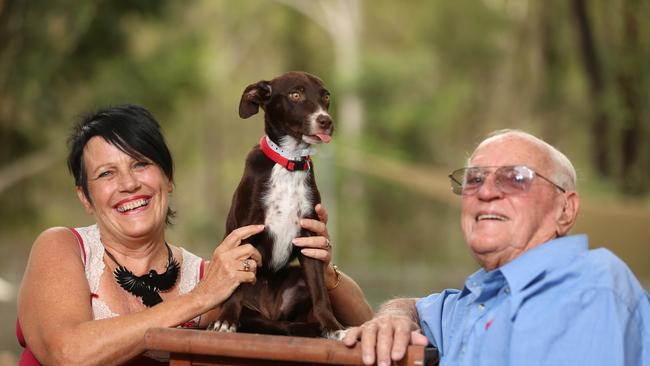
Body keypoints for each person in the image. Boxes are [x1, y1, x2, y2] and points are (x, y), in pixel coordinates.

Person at [17, 104, 372, 365]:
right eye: (106, 174)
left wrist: (324, 275)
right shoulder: (64, 247)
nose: (128, 184)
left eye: (141, 164)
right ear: (85, 197)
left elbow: (366, 325)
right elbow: (66, 354)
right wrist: (197, 300)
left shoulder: (215, 279)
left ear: (168, 179)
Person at [343, 129, 650, 366]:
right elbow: (415, 307)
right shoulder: (479, 299)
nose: (486, 191)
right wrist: (394, 317)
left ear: (565, 210)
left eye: (516, 178)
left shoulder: (587, 286)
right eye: (474, 179)